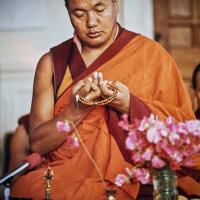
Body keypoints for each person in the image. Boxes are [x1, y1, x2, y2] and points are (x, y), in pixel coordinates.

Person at [10, 0, 200, 199]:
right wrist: (76, 110)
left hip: (138, 176)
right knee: (24, 189)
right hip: (68, 176)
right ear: (67, 11)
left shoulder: (152, 55)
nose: (91, 22)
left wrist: (129, 105)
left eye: (100, 9)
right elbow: (38, 145)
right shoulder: (52, 64)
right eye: (79, 13)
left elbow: (184, 134)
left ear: (116, 4)